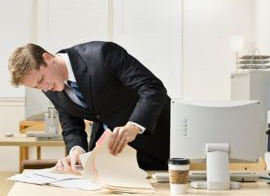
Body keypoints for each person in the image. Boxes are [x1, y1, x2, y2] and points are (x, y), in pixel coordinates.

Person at [8, 41, 170, 171]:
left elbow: (152, 88)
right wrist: (77, 150)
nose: (44, 88)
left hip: (154, 145)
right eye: (36, 87)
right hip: (109, 157)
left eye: (41, 79)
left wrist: (134, 126)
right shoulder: (50, 87)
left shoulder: (102, 54)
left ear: (48, 58)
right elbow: (71, 126)